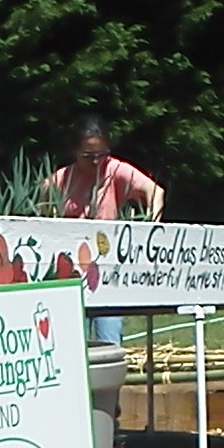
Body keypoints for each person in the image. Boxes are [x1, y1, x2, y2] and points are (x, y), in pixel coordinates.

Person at [48, 113, 164, 346]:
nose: (96, 161)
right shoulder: (62, 179)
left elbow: (156, 191)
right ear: (74, 151)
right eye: (88, 155)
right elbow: (42, 203)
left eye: (101, 155)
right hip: (69, 271)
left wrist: (151, 228)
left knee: (109, 338)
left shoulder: (115, 170)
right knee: (72, 340)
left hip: (107, 267)